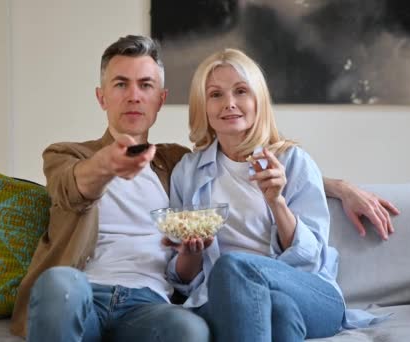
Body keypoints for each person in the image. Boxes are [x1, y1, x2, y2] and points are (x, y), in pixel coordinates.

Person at [9, 35, 397, 341]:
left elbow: (305, 252)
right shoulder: (170, 166)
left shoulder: (267, 162)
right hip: (99, 294)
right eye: (121, 84)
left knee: (217, 297)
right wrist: (109, 162)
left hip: (259, 291)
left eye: (145, 85)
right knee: (273, 311)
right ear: (101, 96)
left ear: (161, 100)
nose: (133, 95)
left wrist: (333, 187)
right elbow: (74, 186)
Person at [165, 48, 386, 342]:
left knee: (234, 266)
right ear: (202, 106)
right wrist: (189, 255)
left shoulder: (294, 162)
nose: (229, 103)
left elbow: (310, 260)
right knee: (278, 311)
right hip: (226, 297)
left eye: (241, 91)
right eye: (215, 94)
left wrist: (277, 201)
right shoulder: (188, 172)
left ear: (258, 100)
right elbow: (183, 280)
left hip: (309, 292)